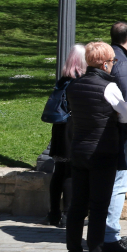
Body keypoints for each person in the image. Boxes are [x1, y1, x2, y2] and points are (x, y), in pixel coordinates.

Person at [65, 41, 127, 252]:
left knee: (77, 207)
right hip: (102, 153)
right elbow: (125, 115)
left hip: (79, 151)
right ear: (105, 63)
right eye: (112, 61)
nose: (113, 65)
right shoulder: (108, 86)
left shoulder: (75, 85)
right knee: (99, 208)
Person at [103, 22, 127, 252]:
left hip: (103, 131)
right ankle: (110, 235)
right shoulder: (123, 65)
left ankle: (106, 233)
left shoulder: (107, 59)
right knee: (119, 185)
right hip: (120, 133)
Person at [44, 44, 86, 228]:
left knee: (59, 171)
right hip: (72, 128)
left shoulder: (63, 80)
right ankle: (68, 214)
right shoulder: (79, 81)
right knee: (69, 172)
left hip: (59, 129)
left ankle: (54, 213)